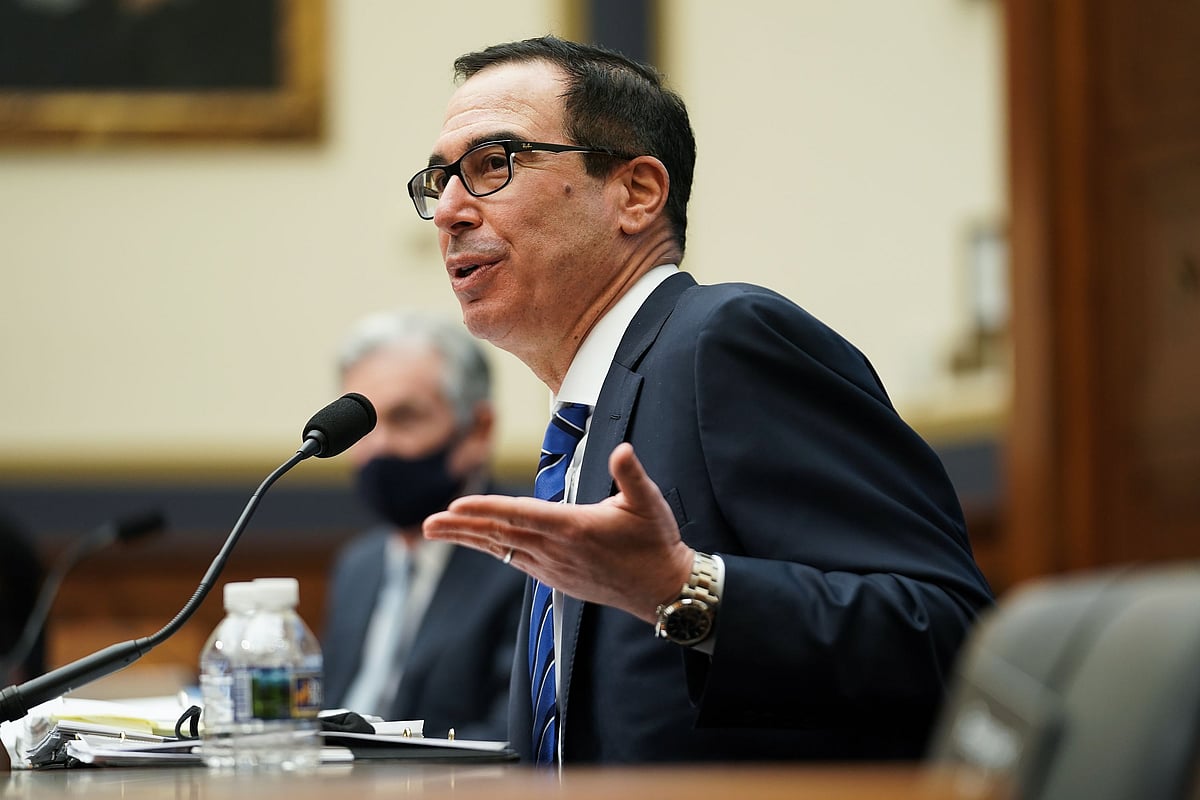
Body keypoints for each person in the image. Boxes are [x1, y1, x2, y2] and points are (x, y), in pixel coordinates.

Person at [415, 36, 995, 765]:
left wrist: (686, 589)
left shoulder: (724, 342)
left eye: (492, 165)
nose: (448, 212)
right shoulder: (586, 421)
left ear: (637, 193)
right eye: (439, 181)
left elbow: (952, 637)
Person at [321, 310, 524, 740]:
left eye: (405, 418)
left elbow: (511, 738)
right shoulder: (359, 565)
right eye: (364, 427)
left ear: (478, 431)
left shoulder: (526, 559)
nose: (377, 447)